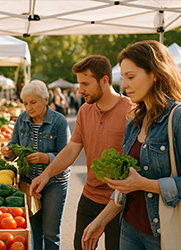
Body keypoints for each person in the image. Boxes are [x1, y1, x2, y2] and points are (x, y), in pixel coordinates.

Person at [80, 40, 181, 250]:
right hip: (130, 229)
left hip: (164, 234)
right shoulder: (133, 122)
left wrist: (145, 184)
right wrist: (101, 220)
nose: (123, 85)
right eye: (123, 77)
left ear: (155, 74)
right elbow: (127, 184)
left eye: (130, 77)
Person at [29, 55, 130, 250]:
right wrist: (46, 175)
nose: (80, 90)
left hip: (119, 202)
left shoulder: (130, 111)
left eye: (85, 83)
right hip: (89, 196)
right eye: (79, 84)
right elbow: (72, 149)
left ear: (104, 80)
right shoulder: (84, 110)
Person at [9, 82, 71, 250]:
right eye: (25, 103)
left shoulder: (59, 122)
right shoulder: (22, 119)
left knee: (51, 233)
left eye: (33, 102)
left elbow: (67, 155)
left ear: (46, 100)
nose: (28, 107)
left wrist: (46, 157)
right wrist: (8, 151)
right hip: (29, 182)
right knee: (34, 230)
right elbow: (14, 146)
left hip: (54, 182)